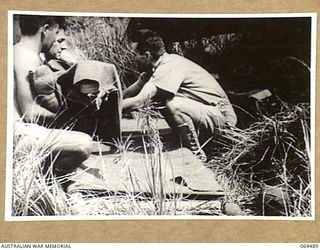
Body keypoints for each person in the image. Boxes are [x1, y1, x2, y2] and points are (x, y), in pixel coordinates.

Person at [123, 29, 237, 162]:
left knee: (173, 104)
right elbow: (127, 94)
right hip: (206, 114)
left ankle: (196, 156)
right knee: (169, 102)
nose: (133, 58)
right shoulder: (153, 70)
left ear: (147, 55)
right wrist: (106, 99)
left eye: (134, 55)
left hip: (222, 118)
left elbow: (139, 101)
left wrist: (109, 110)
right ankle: (192, 143)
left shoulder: (170, 65)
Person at [14, 14, 92, 173]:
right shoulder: (26, 57)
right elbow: (29, 113)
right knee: (84, 144)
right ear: (46, 29)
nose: (57, 40)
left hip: (20, 132)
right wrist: (73, 113)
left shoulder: (18, 51)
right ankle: (45, 176)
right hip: (18, 136)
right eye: (56, 33)